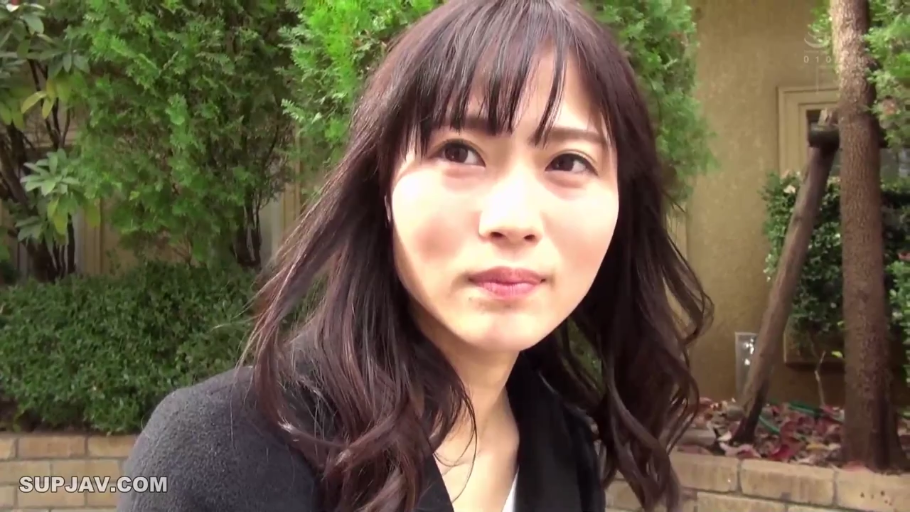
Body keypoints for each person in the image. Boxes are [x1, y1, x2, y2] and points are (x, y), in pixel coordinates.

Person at [118, 0, 712, 511]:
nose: (513, 220)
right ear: (383, 187)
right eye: (459, 152)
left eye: (568, 162)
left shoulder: (564, 449)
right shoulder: (223, 455)